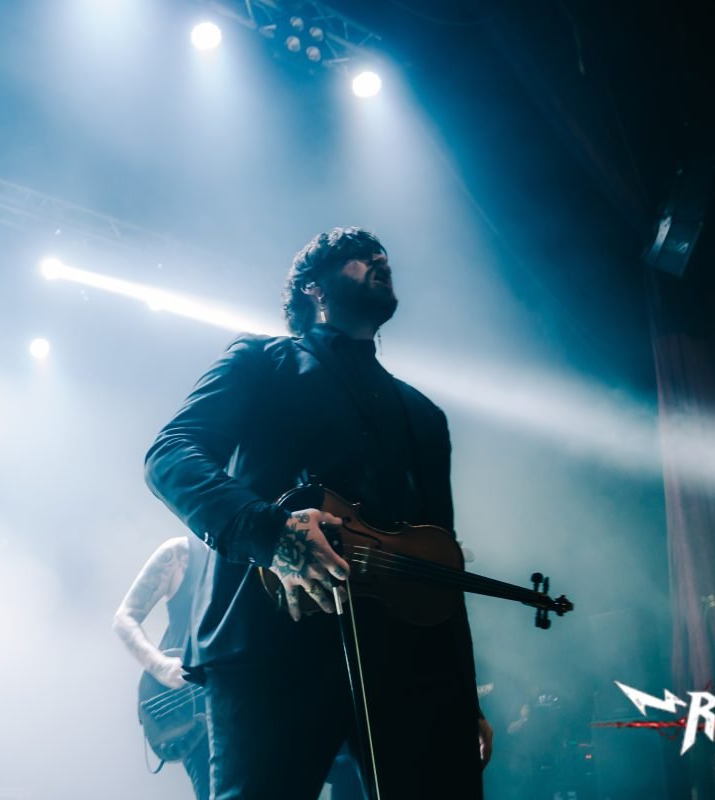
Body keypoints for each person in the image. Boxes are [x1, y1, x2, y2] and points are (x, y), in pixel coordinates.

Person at [144, 227, 492, 799]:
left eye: (383, 255)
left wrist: (463, 695)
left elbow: (441, 565)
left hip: (405, 656)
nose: (379, 259)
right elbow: (171, 455)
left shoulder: (424, 416)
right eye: (357, 257)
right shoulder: (261, 361)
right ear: (313, 288)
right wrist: (269, 533)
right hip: (271, 640)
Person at [113, 535, 211, 800]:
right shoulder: (181, 553)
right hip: (191, 705)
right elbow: (124, 618)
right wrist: (161, 667)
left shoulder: (266, 553)